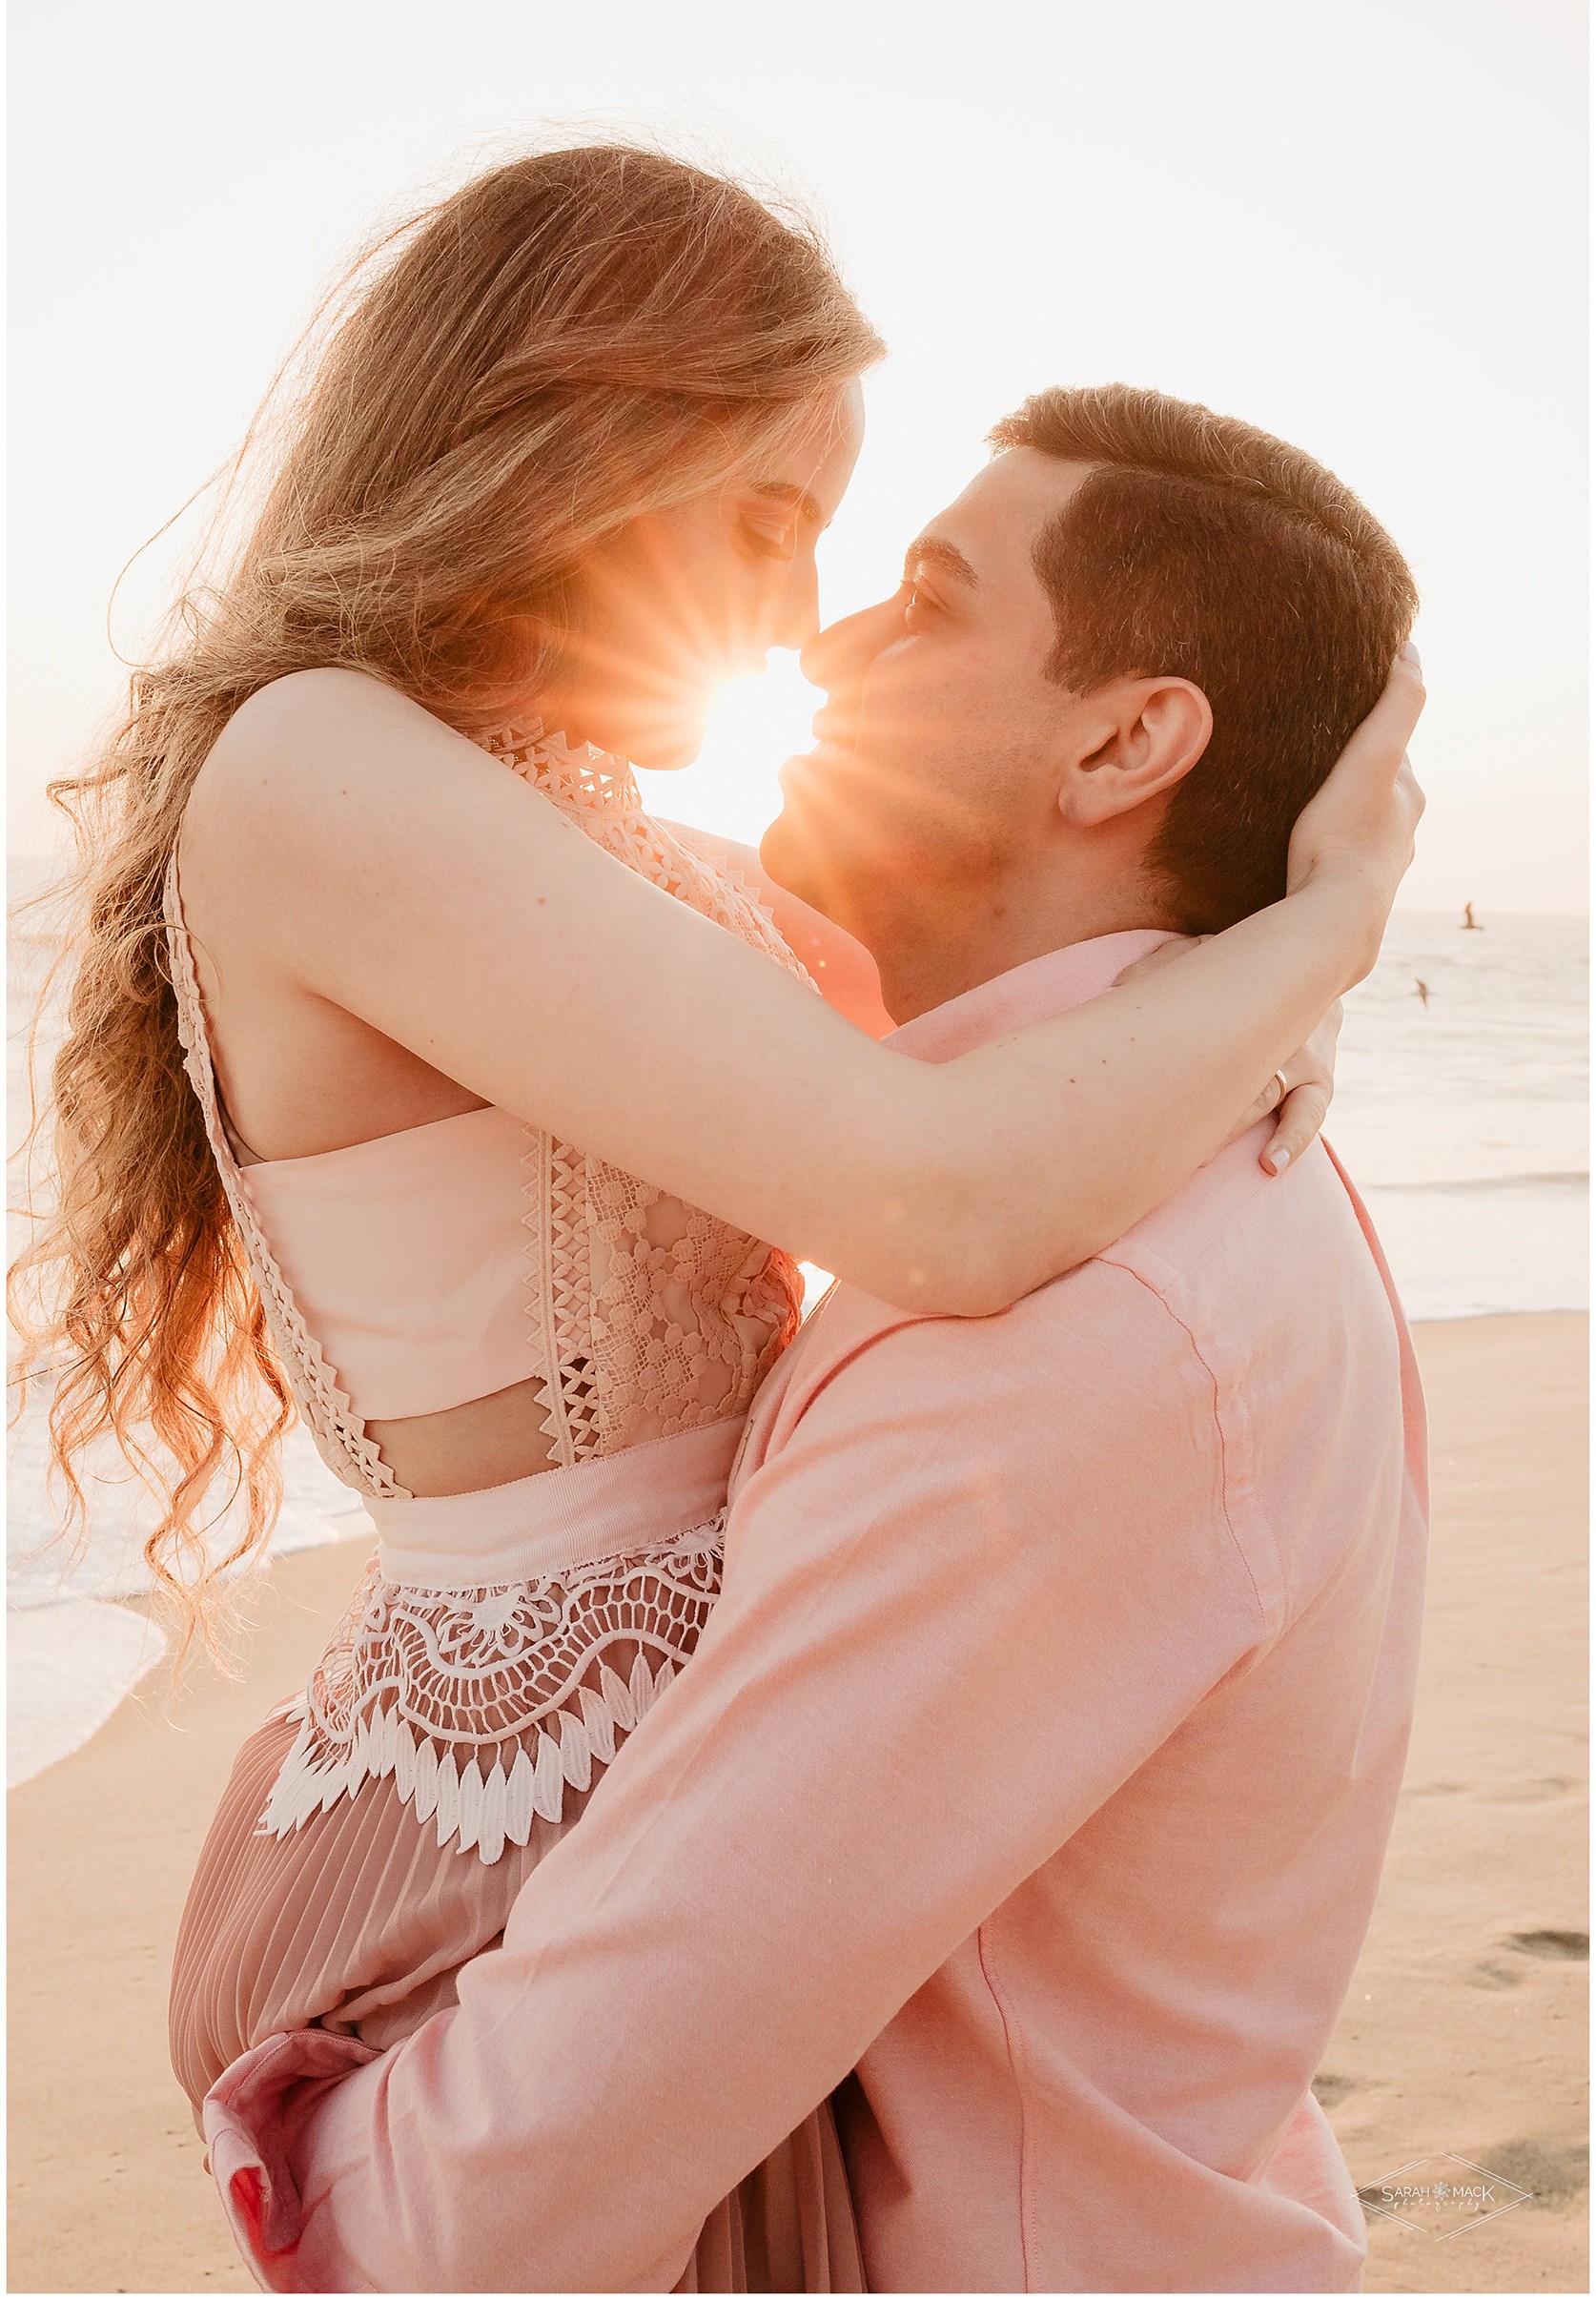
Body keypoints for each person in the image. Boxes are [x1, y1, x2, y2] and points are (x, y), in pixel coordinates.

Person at [12, 139, 1414, 2290]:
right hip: (521, 1804)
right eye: (770, 519)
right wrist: (1316, 940)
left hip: (673, 1781)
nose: (795, 615)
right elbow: (945, 1197)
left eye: (853, 551)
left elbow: (999, 1054)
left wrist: (1235, 998)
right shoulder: (317, 768)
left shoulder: (579, 831)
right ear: (565, 437)